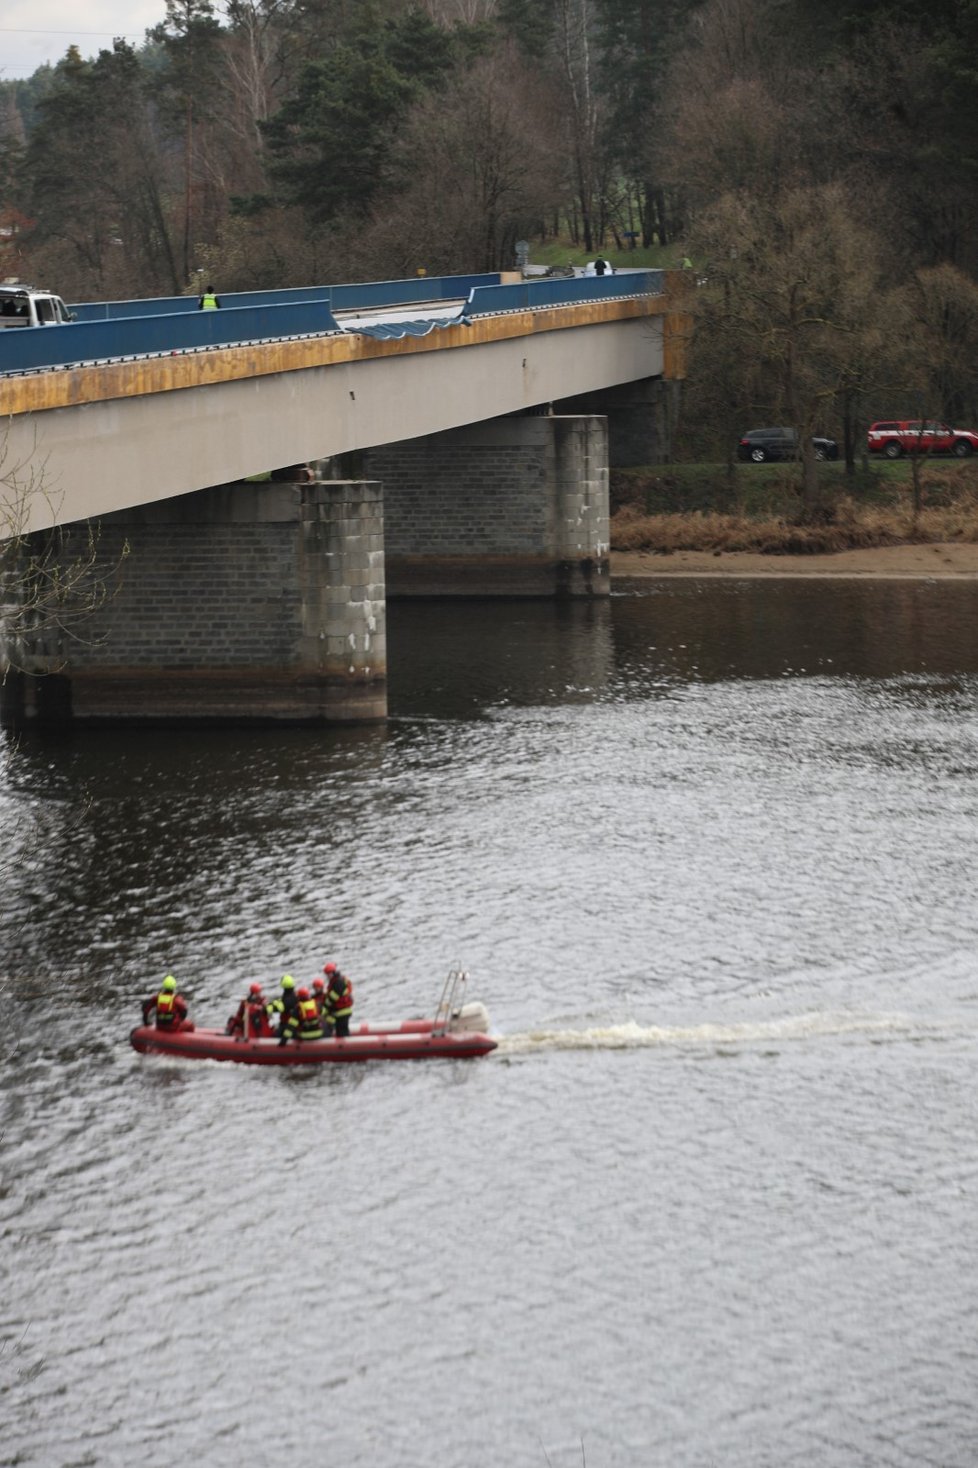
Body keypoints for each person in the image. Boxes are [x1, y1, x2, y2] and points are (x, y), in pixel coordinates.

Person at [266, 974, 301, 1045]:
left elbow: (272, 1008)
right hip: (297, 1026)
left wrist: (264, 1007)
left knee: (273, 1037)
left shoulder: (284, 1001)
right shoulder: (297, 997)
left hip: (286, 1026)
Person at [322, 964, 354, 1038]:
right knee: (341, 1031)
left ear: (333, 972)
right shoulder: (337, 981)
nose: (327, 976)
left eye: (328, 974)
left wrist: (325, 1005)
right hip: (341, 1011)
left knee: (342, 1033)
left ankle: (346, 1047)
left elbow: (332, 999)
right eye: (326, 974)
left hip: (342, 1012)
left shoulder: (338, 983)